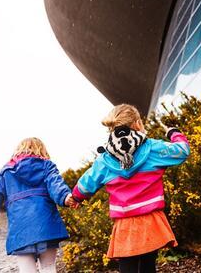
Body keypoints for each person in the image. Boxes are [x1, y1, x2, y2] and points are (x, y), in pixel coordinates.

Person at [72, 104, 190, 273]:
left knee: (127, 265)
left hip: (125, 222)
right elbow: (182, 151)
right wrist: (174, 133)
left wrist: (76, 197)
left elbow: (86, 183)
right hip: (151, 219)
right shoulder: (152, 148)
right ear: (137, 124)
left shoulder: (105, 159)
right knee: (148, 264)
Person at [0, 137, 76, 273]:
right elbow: (55, 183)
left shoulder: (5, 172)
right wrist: (65, 196)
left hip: (21, 233)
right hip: (47, 228)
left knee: (26, 270)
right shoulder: (47, 166)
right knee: (48, 268)